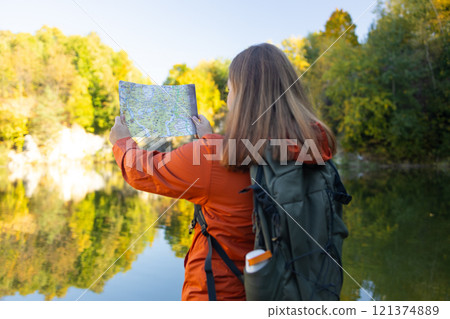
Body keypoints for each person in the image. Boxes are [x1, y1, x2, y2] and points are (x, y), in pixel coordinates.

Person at [109, 43, 336, 301]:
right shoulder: (313, 151)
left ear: (242, 96)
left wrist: (122, 142)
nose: (227, 98)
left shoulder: (211, 157)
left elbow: (143, 171)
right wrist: (211, 139)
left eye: (229, 90)